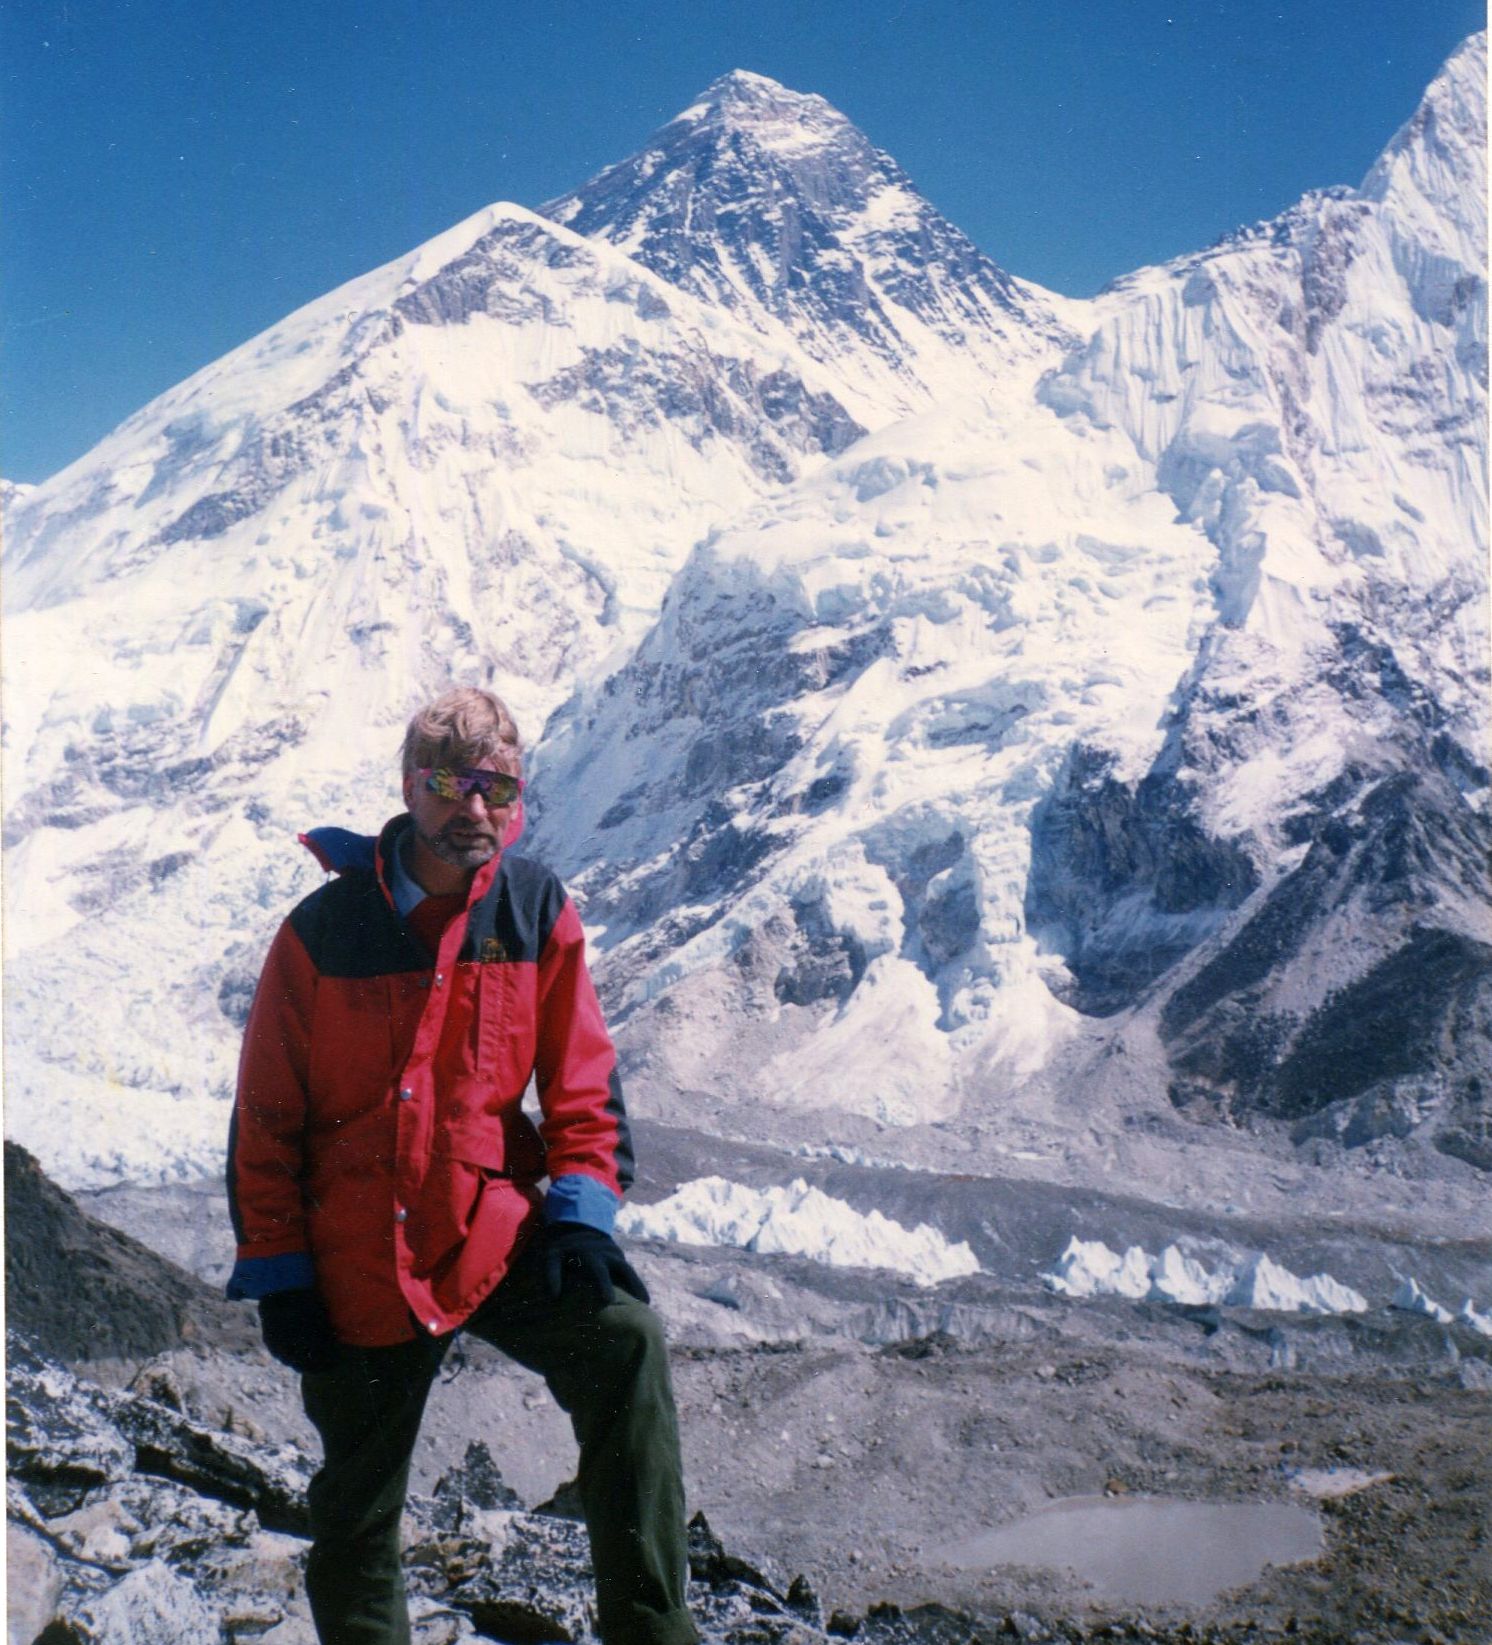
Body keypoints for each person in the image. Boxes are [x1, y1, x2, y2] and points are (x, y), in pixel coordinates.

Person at [226, 686, 697, 1645]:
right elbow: (265, 1119)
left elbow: (583, 1082)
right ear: (408, 788)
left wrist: (580, 1214)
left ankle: (653, 1632)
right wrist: (281, 1270)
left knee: (627, 1343)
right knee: (357, 1511)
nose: (474, 808)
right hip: (363, 1258)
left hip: (490, 1232)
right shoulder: (320, 934)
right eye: (449, 784)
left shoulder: (534, 910)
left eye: (496, 786)